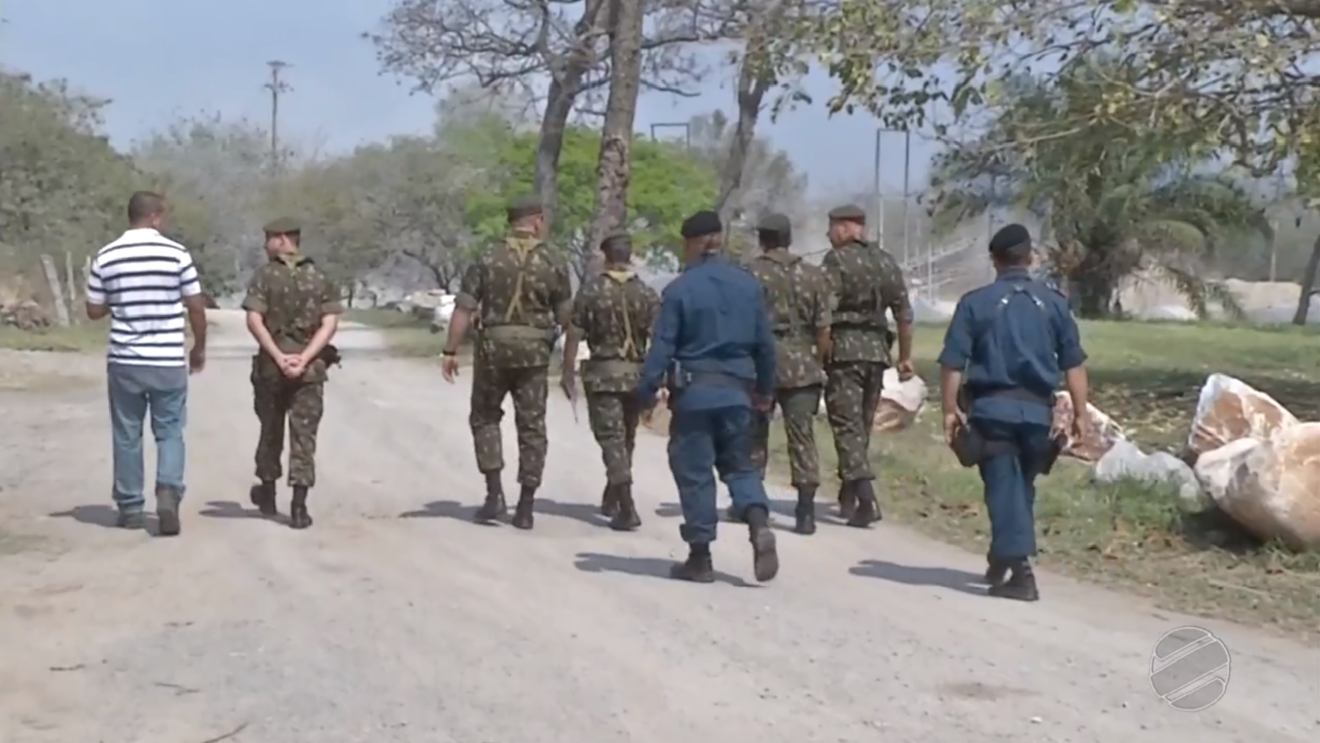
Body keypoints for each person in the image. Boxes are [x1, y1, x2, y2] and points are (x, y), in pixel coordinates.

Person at [936, 223, 1089, 601]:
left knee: (1003, 487)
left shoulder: (975, 302)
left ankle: (1020, 570)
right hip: (1039, 414)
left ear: (994, 261)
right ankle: (1001, 555)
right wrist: (1081, 415)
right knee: (1020, 486)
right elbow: (1074, 365)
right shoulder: (1054, 303)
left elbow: (953, 364)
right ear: (1030, 258)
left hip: (993, 412)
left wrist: (949, 410)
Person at [637, 210, 779, 583]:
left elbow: (662, 347)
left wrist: (646, 392)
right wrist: (765, 391)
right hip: (738, 395)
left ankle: (700, 557)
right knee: (739, 465)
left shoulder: (680, 289)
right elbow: (766, 345)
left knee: (695, 471)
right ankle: (758, 521)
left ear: (695, 244)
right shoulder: (748, 286)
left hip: (695, 396)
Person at [441, 195, 573, 530]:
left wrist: (450, 350)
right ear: (538, 221)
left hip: (493, 352)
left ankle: (494, 494)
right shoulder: (554, 259)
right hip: (535, 354)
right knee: (532, 426)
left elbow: (464, 308)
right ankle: (526, 506)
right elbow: (566, 316)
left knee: (485, 418)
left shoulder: (488, 255)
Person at [85, 191, 208, 536]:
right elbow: (196, 306)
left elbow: (93, 310)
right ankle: (168, 491)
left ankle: (131, 507)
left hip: (125, 360)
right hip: (167, 359)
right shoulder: (176, 254)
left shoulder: (107, 255)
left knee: (127, 433)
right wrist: (198, 347)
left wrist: (118, 300)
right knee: (169, 430)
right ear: (155, 216)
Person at [242, 217, 344, 530]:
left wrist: (278, 355)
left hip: (272, 369)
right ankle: (299, 508)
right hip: (310, 370)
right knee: (304, 437)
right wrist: (304, 357)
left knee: (270, 430)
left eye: (270, 238)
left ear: (284, 239)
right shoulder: (320, 276)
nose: (266, 244)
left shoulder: (264, 276)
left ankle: (269, 494)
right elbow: (330, 323)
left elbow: (254, 320)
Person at [820, 204, 915, 527]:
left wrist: (822, 350)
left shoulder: (836, 261)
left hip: (845, 352)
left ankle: (865, 497)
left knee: (846, 426)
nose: (829, 235)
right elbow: (904, 312)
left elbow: (824, 312)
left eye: (832, 228)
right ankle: (848, 494)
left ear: (847, 228)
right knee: (860, 426)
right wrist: (905, 356)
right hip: (877, 353)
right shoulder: (886, 261)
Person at [560, 233, 661, 530]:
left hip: (604, 374)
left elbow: (575, 333)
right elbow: (659, 336)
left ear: (606, 256)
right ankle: (612, 494)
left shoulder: (591, 290)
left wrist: (568, 372)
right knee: (626, 437)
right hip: (637, 373)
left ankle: (627, 507)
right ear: (629, 256)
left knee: (611, 439)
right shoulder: (646, 292)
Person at [745, 213, 832, 535]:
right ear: (788, 238)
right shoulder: (814, 275)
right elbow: (823, 329)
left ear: (762, 239)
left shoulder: (750, 274)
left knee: (754, 435)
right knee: (802, 436)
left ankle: (753, 504)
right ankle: (805, 510)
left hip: (760, 363)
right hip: (804, 364)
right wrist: (819, 360)